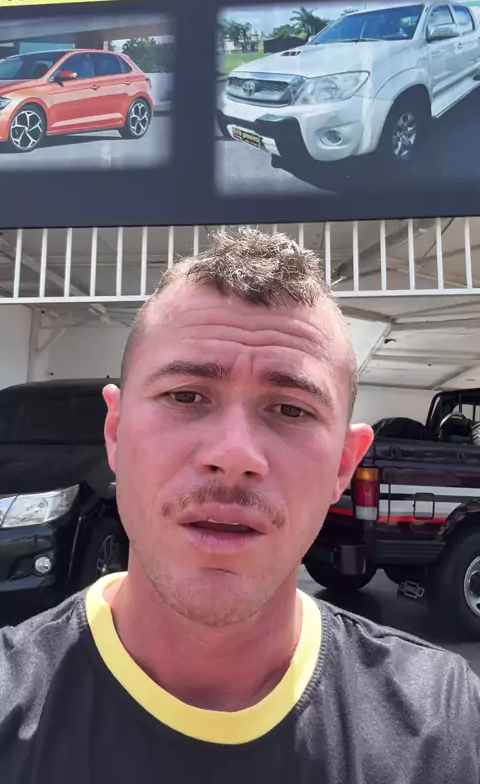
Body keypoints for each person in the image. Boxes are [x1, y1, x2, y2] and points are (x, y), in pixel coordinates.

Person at [0, 227, 479, 783]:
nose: (233, 455)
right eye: (185, 396)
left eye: (291, 409)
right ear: (115, 432)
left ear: (344, 466)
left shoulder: (445, 727)